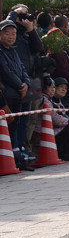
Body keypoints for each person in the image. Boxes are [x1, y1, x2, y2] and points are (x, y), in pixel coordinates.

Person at [0, 19, 34, 161]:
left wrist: (26, 83)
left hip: (21, 91)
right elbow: (6, 72)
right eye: (7, 33)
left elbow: (22, 69)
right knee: (11, 124)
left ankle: (20, 148)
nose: (11, 36)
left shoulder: (13, 50)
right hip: (9, 93)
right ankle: (13, 151)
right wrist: (21, 85)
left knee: (23, 121)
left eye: (13, 33)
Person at [34, 77, 69, 161]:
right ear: (44, 87)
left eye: (53, 87)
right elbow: (54, 118)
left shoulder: (49, 100)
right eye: (50, 87)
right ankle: (68, 153)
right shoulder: (44, 100)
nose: (52, 90)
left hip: (51, 129)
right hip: (42, 132)